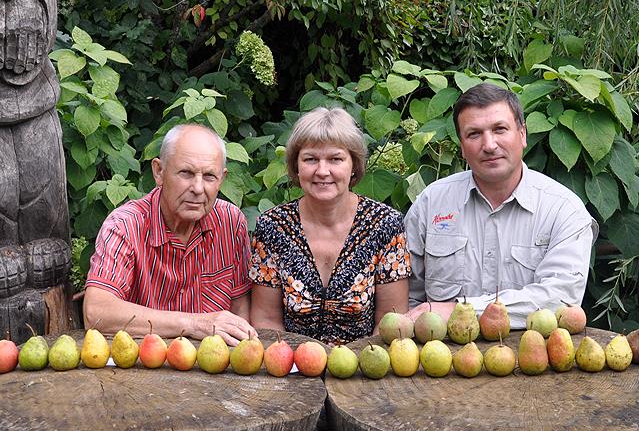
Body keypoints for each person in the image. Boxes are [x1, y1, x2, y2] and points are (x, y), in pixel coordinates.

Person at [405, 83, 597, 328]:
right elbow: (407, 297)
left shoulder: (563, 210)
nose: (489, 145)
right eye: (474, 134)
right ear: (462, 147)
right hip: (440, 358)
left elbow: (561, 300)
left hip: (535, 360)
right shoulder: (431, 204)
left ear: (523, 134)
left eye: (500, 129)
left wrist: (459, 309)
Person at [249, 107, 411, 344]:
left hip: (364, 368)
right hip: (289, 369)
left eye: (335, 159)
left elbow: (389, 321)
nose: (322, 171)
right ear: (296, 166)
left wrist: (356, 367)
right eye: (311, 159)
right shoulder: (273, 227)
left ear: (354, 165)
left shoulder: (385, 225)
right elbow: (265, 319)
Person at [83, 124, 255, 345]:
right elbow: (96, 312)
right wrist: (194, 324)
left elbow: (241, 307)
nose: (198, 188)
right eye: (186, 173)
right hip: (139, 370)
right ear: (159, 172)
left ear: (222, 179)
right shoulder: (125, 225)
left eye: (210, 176)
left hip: (215, 367)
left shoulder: (231, 223)